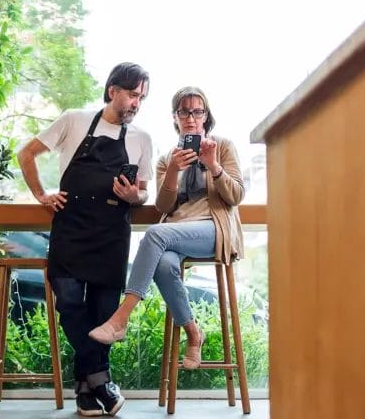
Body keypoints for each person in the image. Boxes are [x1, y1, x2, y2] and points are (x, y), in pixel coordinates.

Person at [17, 62, 153, 417]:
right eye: (132, 94)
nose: (137, 103)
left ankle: (85, 390)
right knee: (70, 303)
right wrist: (41, 195)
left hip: (112, 234)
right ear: (113, 91)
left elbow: (142, 193)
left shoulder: (142, 139)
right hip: (71, 227)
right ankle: (101, 379)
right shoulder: (74, 120)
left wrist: (131, 197)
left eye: (142, 98)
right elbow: (26, 153)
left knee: (104, 314)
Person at [88, 86, 245, 370]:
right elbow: (164, 207)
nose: (190, 117)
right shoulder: (166, 160)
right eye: (184, 111)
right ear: (175, 117)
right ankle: (194, 333)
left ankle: (120, 318)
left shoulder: (222, 147)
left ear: (206, 116)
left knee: (154, 233)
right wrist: (173, 170)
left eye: (197, 111)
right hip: (176, 232)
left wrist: (213, 166)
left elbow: (235, 196)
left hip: (213, 229)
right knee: (162, 266)